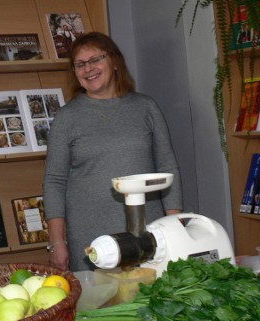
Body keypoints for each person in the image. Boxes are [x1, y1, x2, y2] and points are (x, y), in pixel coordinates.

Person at [42, 32, 183, 271]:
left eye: (96, 59)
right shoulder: (67, 118)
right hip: (91, 238)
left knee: (151, 301)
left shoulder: (146, 107)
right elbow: (54, 182)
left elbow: (168, 167)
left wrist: (175, 226)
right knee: (101, 306)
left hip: (148, 232)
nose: (89, 69)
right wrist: (57, 242)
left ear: (115, 61)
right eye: (80, 64)